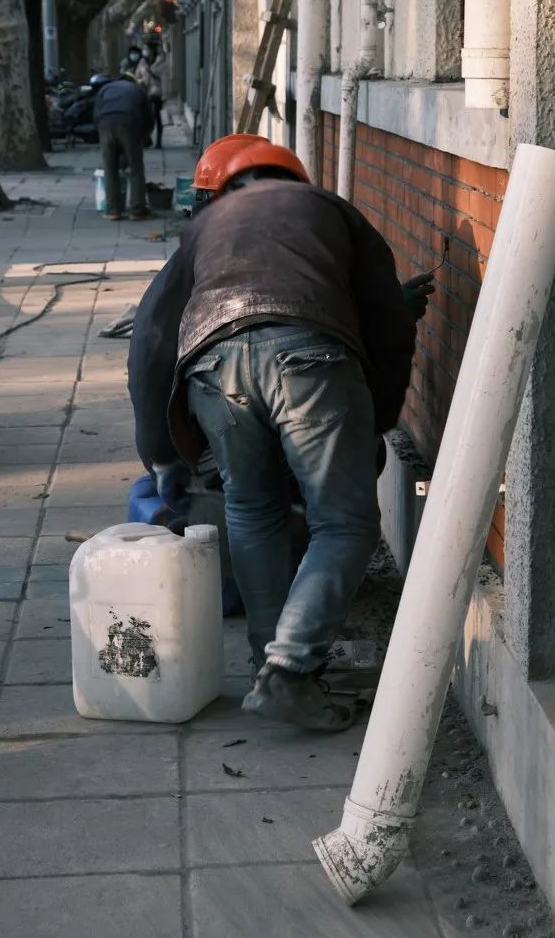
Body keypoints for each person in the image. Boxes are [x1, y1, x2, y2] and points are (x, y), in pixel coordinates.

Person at [127, 135, 432, 731]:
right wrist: (379, 421)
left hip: (212, 369)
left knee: (252, 508)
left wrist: (162, 454)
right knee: (343, 522)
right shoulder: (335, 212)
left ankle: (271, 663)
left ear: (214, 193)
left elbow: (151, 343)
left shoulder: (202, 231)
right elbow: (388, 328)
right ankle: (290, 670)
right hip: (310, 360)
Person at [94, 73, 153, 222]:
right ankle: (137, 210)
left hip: (105, 123)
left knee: (110, 168)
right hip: (128, 121)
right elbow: (149, 117)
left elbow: (95, 114)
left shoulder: (105, 88)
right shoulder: (138, 90)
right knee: (135, 168)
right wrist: (144, 137)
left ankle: (113, 211)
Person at [135, 44, 165, 148]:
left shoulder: (160, 62)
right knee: (145, 118)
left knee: (156, 118)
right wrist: (140, 81)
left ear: (152, 50)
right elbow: (137, 76)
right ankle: (147, 139)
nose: (145, 51)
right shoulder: (142, 62)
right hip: (144, 93)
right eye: (144, 49)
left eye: (147, 49)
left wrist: (163, 95)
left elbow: (164, 79)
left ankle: (159, 142)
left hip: (156, 93)